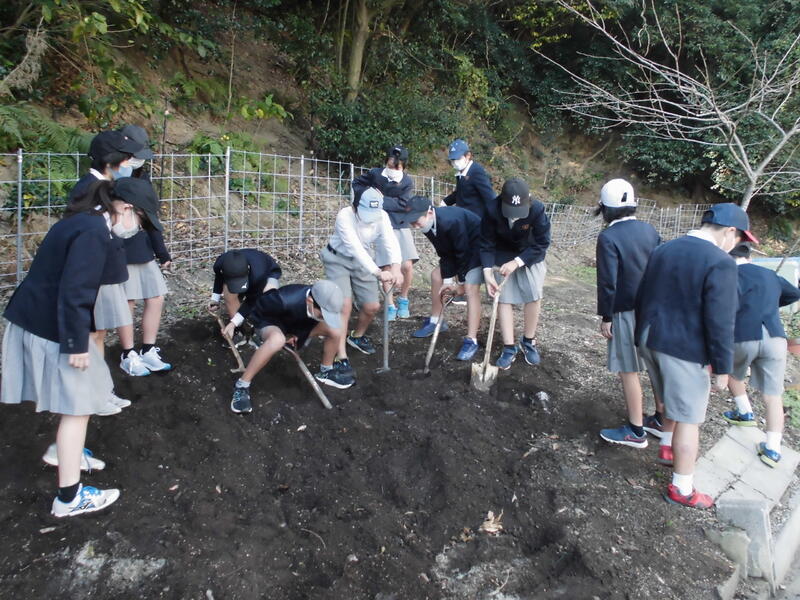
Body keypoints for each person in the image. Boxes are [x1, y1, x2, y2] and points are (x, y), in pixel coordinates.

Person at [1, 178, 156, 517]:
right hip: (50, 326)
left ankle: (64, 452)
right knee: (78, 407)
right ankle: (69, 498)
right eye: (142, 220)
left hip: (37, 317)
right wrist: (76, 344)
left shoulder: (85, 220)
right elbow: (76, 290)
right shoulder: (93, 232)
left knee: (78, 400)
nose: (138, 228)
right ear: (127, 208)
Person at [635, 202, 757, 509]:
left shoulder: (665, 249)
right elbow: (721, 320)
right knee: (690, 418)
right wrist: (723, 368)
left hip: (650, 337)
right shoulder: (721, 262)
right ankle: (682, 488)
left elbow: (643, 293)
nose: (735, 245)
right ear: (730, 231)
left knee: (669, 399)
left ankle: (667, 446)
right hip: (684, 348)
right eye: (739, 239)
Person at [68, 130, 146, 414]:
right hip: (94, 276)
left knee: (99, 333)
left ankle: (101, 390)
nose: (128, 163)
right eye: (125, 158)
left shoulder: (103, 185)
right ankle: (89, 396)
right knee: (92, 336)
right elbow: (85, 238)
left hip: (105, 272)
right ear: (111, 159)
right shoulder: (87, 189)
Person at [594, 179, 667, 452]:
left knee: (629, 368)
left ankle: (636, 431)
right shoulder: (650, 230)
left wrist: (606, 316)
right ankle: (661, 420)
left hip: (625, 310)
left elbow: (608, 282)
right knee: (655, 365)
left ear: (605, 208)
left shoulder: (609, 237)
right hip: (654, 309)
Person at [722, 242, 800, 467]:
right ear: (749, 258)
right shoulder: (769, 274)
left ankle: (745, 412)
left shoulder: (728, 275)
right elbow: (793, 293)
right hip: (776, 338)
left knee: (731, 373)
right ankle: (773, 449)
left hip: (743, 335)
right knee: (773, 395)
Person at [228, 280, 352, 413]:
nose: (324, 318)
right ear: (310, 301)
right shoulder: (282, 300)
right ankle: (242, 385)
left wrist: (297, 334)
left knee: (335, 330)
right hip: (269, 323)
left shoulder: (319, 299)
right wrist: (284, 334)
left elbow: (309, 319)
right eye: (322, 315)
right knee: (277, 340)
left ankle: (326, 371)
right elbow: (257, 314)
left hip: (296, 326)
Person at [320, 187, 402, 372]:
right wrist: (378, 272)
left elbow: (390, 241)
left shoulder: (382, 216)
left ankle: (356, 336)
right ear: (355, 206)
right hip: (337, 259)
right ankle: (341, 354)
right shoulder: (345, 216)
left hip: (363, 261)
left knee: (371, 306)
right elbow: (354, 247)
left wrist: (396, 267)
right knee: (344, 306)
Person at [118, 124, 174, 373]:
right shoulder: (106, 178)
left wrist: (162, 253)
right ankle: (128, 353)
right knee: (128, 300)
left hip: (142, 246)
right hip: (120, 247)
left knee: (156, 296)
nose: (137, 161)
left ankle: (148, 350)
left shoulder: (141, 176)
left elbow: (150, 215)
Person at [480, 177, 551, 369]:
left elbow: (542, 243)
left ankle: (528, 341)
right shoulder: (491, 209)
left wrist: (517, 262)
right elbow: (486, 243)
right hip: (502, 254)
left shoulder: (537, 209)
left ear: (529, 199)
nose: (515, 217)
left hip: (529, 254)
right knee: (503, 298)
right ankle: (509, 347)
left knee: (534, 294)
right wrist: (487, 272)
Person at [405, 196, 484, 360]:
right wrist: (448, 282)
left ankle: (471, 340)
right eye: (411, 222)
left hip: (479, 250)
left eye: (416, 221)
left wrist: (460, 283)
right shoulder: (427, 224)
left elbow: (462, 253)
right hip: (460, 251)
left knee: (470, 287)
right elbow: (445, 253)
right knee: (436, 276)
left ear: (429, 212)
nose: (414, 226)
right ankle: (436, 322)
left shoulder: (450, 221)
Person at [352, 145, 416, 321]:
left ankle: (403, 298)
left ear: (403, 165)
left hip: (400, 224)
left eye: (397, 166)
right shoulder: (375, 174)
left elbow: (403, 204)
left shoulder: (407, 181)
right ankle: (390, 304)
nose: (393, 168)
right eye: (390, 164)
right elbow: (357, 184)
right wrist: (367, 198)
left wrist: (379, 200)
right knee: (386, 266)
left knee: (406, 265)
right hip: (379, 223)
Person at [209, 249, 282, 347]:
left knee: (267, 297)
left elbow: (252, 301)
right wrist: (214, 299)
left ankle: (260, 329)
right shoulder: (220, 264)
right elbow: (219, 278)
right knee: (228, 294)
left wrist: (232, 323)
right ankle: (240, 330)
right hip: (244, 275)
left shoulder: (259, 272)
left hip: (267, 276)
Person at [442, 139, 496, 219]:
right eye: (453, 160)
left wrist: (494, 218)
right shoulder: (461, 172)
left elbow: (489, 196)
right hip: (463, 217)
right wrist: (444, 202)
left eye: (458, 158)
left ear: (468, 155)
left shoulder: (476, 171)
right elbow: (460, 192)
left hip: (475, 220)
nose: (455, 162)